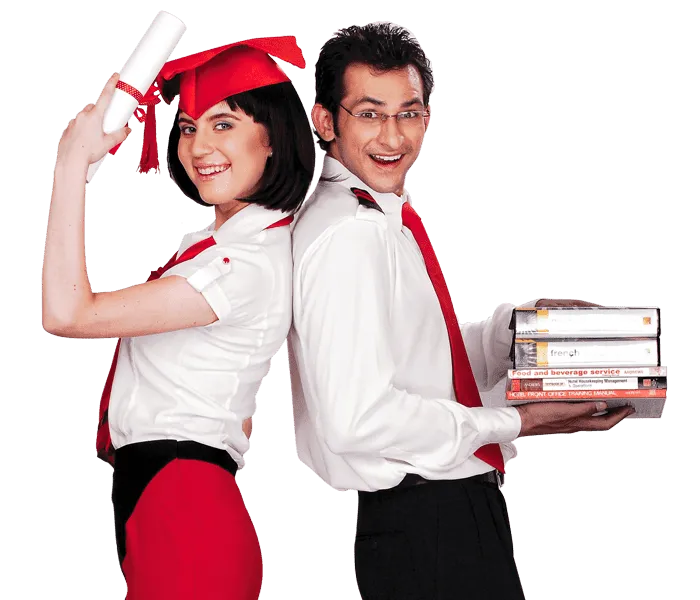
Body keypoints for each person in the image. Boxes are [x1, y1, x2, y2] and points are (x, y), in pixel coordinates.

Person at [286, 22, 634, 599]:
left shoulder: (376, 216)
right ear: (325, 121)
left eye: (410, 112)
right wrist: (519, 420)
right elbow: (356, 417)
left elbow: (420, 363)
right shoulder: (349, 233)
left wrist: (516, 334)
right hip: (427, 521)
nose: (392, 136)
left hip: (440, 516)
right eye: (369, 113)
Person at [43, 36, 314, 600]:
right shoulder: (223, 249)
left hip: (185, 503)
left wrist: (72, 163)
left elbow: (68, 313)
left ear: (274, 137)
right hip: (167, 499)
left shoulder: (244, 263)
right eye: (188, 126)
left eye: (223, 124)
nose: (197, 146)